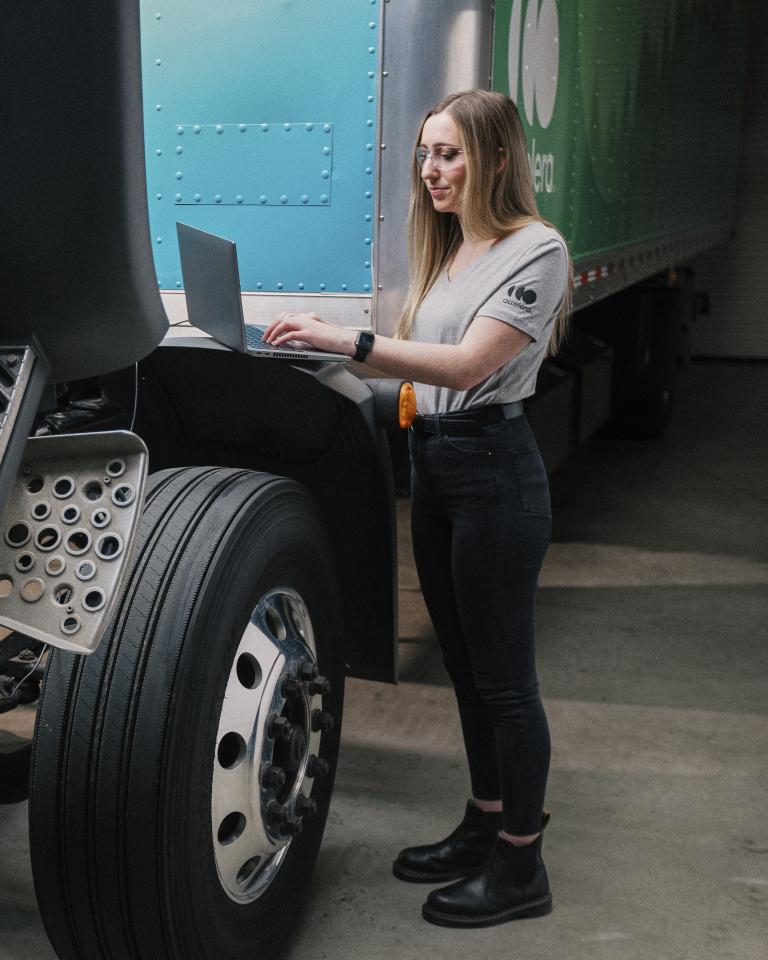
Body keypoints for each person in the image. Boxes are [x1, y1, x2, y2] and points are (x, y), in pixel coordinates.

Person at [263, 88, 571, 929]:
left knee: (507, 683)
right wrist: (318, 355)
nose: (432, 172)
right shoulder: (454, 249)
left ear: (498, 159)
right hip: (437, 468)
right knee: (468, 672)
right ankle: (484, 824)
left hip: (494, 474)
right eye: (428, 154)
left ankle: (521, 866)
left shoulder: (534, 250)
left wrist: (349, 343)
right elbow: (418, 370)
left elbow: (467, 366)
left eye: (452, 154)